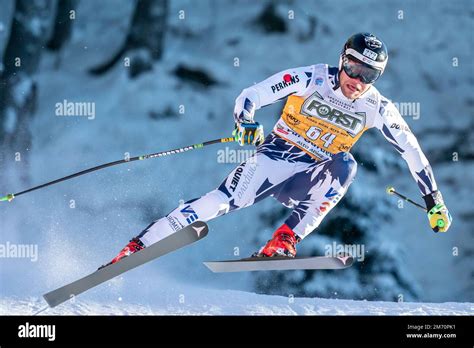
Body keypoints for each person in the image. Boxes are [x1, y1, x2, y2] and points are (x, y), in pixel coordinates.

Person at [103, 32, 452, 266]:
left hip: (310, 177)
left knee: (346, 165)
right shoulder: (311, 78)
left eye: (368, 75)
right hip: (272, 161)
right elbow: (251, 95)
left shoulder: (377, 107)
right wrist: (246, 122)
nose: (356, 80)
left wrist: (433, 200)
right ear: (341, 59)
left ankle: (284, 239)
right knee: (219, 202)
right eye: (351, 67)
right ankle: (137, 246)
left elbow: (412, 150)